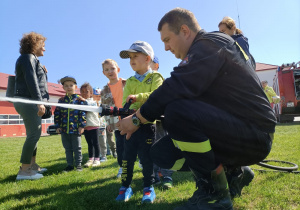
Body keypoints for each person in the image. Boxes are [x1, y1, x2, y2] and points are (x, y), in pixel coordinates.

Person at [117, 8, 276, 209]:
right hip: (240, 130)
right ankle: (234, 174)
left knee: (177, 112)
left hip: (254, 135)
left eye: (167, 40)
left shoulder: (210, 43)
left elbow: (175, 87)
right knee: (161, 153)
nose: (165, 48)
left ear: (184, 31)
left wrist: (135, 119)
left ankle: (214, 196)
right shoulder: (212, 47)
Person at [115, 41, 164, 203]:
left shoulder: (156, 77)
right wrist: (130, 119)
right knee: (126, 158)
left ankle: (148, 187)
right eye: (130, 57)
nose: (131, 60)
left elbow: (157, 97)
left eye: (135, 56)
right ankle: (125, 186)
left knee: (146, 158)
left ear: (148, 58)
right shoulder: (129, 81)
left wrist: (139, 98)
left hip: (148, 125)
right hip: (131, 127)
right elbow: (125, 103)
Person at [14, 32, 49, 180]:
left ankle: (32, 165)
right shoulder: (27, 58)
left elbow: (37, 79)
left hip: (29, 100)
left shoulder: (32, 60)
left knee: (34, 134)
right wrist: (39, 102)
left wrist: (42, 70)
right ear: (34, 44)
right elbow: (31, 80)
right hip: (28, 100)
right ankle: (24, 170)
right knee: (34, 134)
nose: (44, 49)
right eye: (43, 45)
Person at [150, 55, 174, 189]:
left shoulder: (159, 79)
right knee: (150, 148)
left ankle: (167, 176)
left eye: (150, 62)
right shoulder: (138, 81)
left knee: (163, 146)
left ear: (156, 65)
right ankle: (154, 175)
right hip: (147, 122)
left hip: (160, 121)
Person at [54, 76, 86, 172]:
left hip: (75, 129)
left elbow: (83, 113)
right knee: (68, 148)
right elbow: (57, 114)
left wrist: (82, 125)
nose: (69, 87)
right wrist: (58, 126)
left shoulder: (79, 100)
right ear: (63, 88)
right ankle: (69, 165)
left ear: (75, 87)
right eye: (66, 86)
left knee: (77, 148)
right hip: (64, 129)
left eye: (71, 85)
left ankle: (78, 165)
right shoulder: (61, 100)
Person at [100, 59, 126, 177]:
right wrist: (108, 123)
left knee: (137, 142)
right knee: (120, 146)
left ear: (118, 70)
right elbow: (105, 108)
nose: (110, 71)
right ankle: (122, 167)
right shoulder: (104, 90)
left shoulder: (127, 83)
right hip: (116, 122)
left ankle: (142, 161)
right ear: (103, 73)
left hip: (130, 118)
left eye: (112, 68)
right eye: (107, 70)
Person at [80, 83, 101, 167]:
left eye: (87, 92)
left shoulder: (93, 102)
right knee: (89, 144)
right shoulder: (81, 102)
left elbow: (88, 108)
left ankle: (97, 159)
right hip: (86, 127)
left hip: (94, 125)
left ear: (91, 93)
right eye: (82, 92)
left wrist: (83, 101)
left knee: (96, 143)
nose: (84, 93)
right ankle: (90, 159)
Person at [93, 88, 108, 163]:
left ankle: (103, 155)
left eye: (99, 96)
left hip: (101, 126)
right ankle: (96, 155)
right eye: (96, 96)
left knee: (102, 141)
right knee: (95, 141)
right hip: (94, 125)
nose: (98, 97)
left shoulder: (103, 104)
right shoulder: (91, 104)